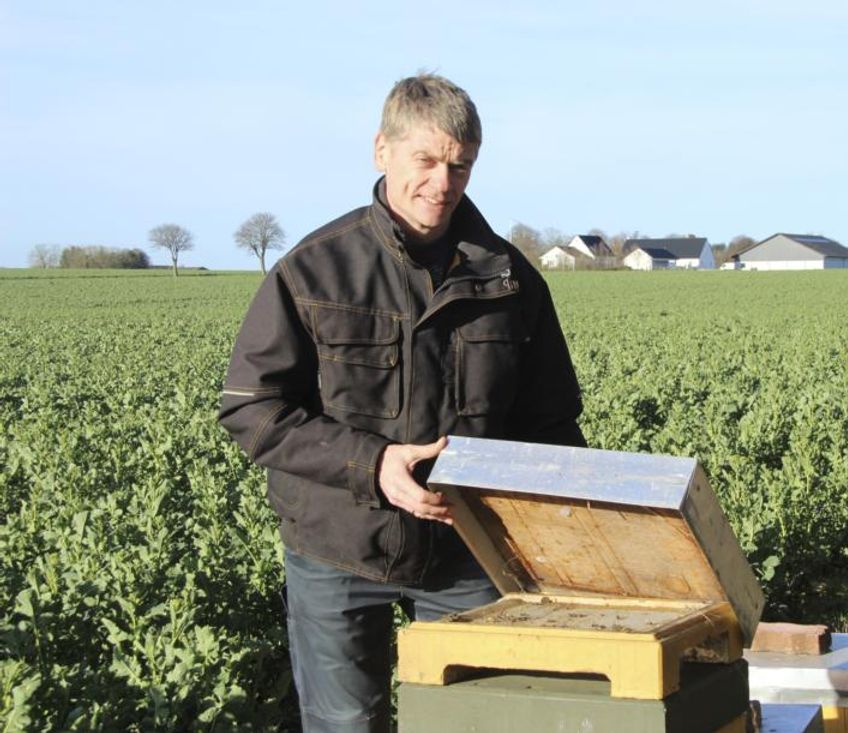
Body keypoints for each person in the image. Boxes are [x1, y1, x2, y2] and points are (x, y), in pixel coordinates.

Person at [219, 73, 585, 733]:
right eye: (426, 159)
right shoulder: (313, 270)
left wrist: (566, 535)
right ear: (381, 150)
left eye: (460, 165)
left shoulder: (510, 280)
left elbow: (551, 425)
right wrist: (374, 462)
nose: (443, 182)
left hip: (466, 547)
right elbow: (253, 408)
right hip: (338, 545)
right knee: (345, 724)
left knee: (466, 723)